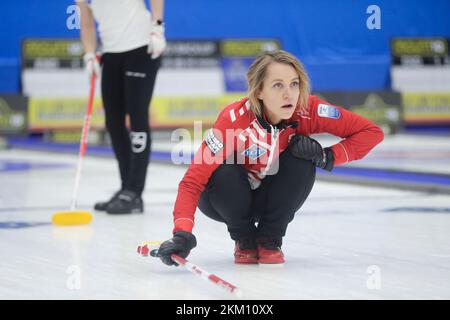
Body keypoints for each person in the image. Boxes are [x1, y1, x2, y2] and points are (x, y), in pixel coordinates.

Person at [155, 50, 384, 265]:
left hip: (269, 198)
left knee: (304, 158)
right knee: (225, 168)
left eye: (294, 84)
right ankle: (244, 238)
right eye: (278, 85)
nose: (289, 94)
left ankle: (269, 239)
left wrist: (326, 156)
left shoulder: (308, 109)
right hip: (224, 200)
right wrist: (182, 233)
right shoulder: (233, 120)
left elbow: (372, 133)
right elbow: (192, 181)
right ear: (259, 92)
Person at [77, 0, 166, 214]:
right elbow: (87, 23)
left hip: (141, 48)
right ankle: (126, 188)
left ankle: (134, 191)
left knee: (137, 118)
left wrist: (157, 26)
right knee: (113, 123)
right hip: (111, 53)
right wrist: (89, 54)